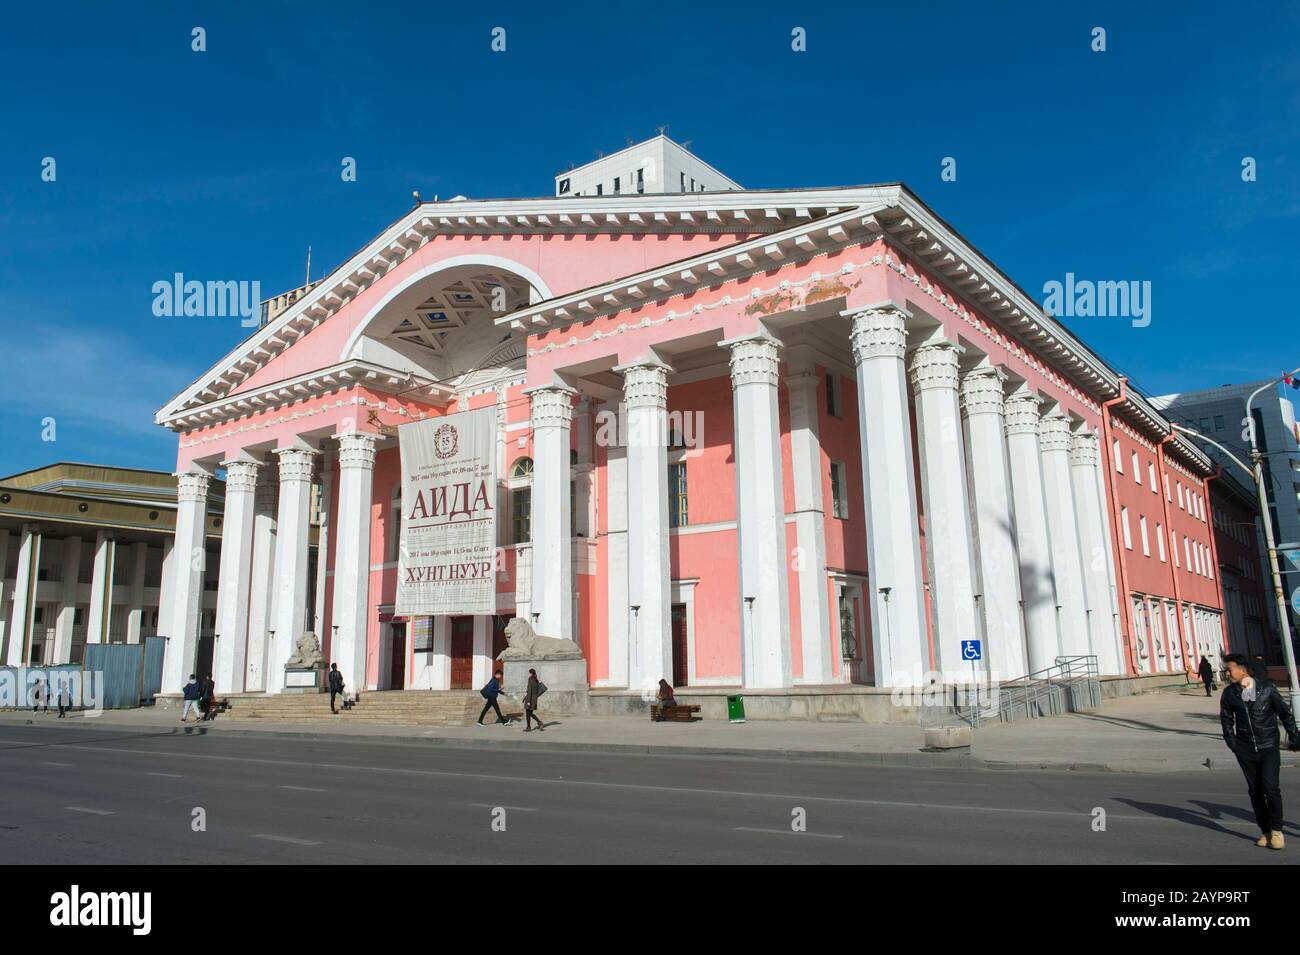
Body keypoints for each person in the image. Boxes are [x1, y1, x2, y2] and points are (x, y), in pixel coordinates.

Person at [1219, 652, 1299, 850]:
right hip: (1245, 749)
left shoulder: (1267, 689)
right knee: (1255, 791)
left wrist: (1295, 737)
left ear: (1242, 669)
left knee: (1270, 787)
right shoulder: (1230, 693)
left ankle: (1277, 831)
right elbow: (1226, 720)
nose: (1227, 673)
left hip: (1268, 746)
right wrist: (1233, 743)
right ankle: (1265, 831)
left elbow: (1285, 714)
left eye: (1229, 669)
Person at [523, 668, 546, 732]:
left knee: (528, 714)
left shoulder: (530, 680)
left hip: (530, 699)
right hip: (534, 699)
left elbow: (530, 691)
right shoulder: (536, 680)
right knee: (530, 713)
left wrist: (528, 701)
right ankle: (539, 722)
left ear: (530, 673)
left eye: (529, 673)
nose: (529, 674)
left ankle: (529, 727)